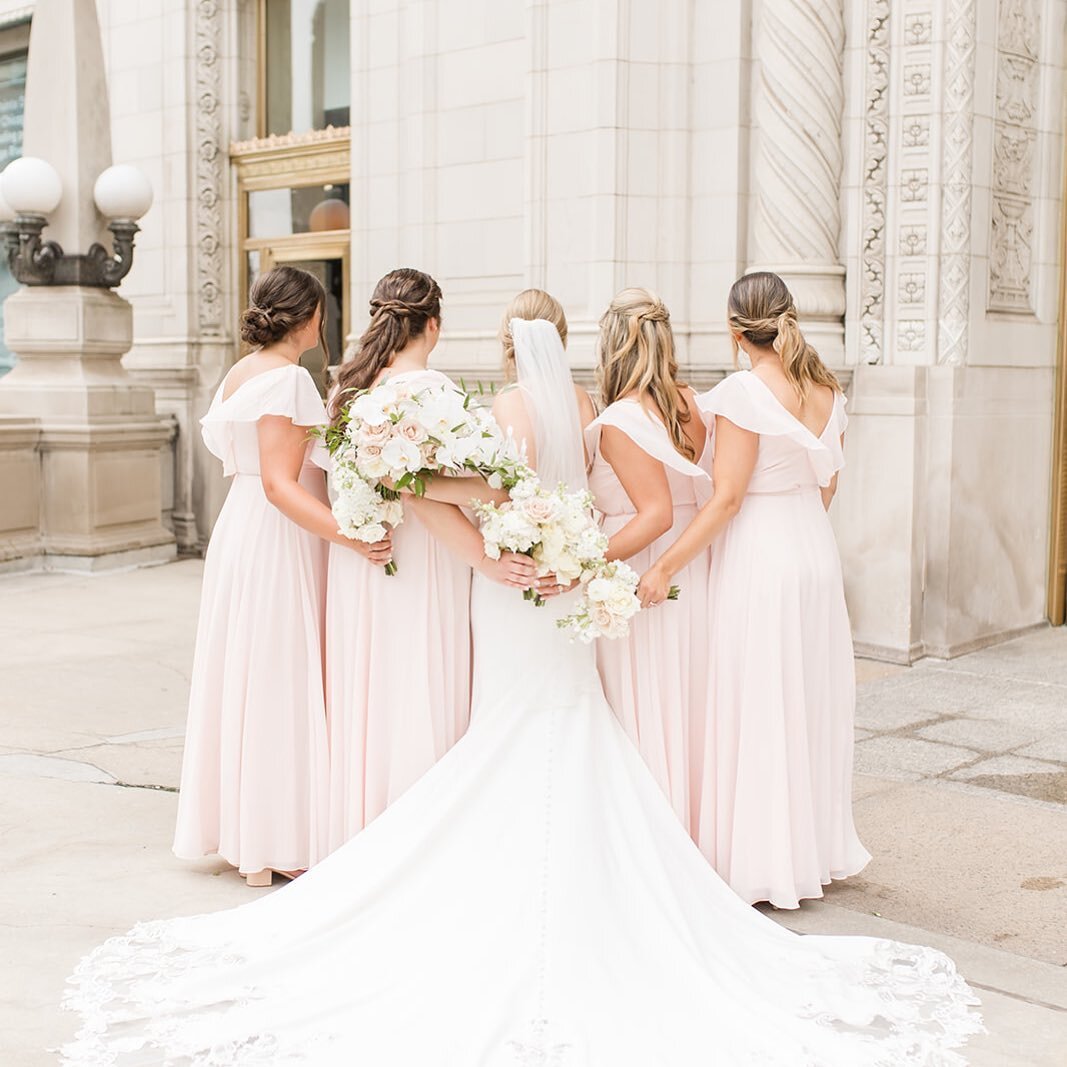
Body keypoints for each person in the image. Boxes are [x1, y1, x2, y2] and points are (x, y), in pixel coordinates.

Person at [63, 303, 980, 1067]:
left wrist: (476, 523)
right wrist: (566, 548)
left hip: (516, 584)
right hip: (558, 579)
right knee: (566, 723)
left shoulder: (500, 407)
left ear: (506, 352)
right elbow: (591, 496)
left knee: (505, 729)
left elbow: (485, 485)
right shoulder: (585, 408)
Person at [638, 270, 872, 908]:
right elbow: (828, 483)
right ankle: (811, 852)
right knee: (808, 696)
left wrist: (664, 568)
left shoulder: (742, 392)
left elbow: (727, 500)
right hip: (812, 549)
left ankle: (766, 863)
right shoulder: (826, 388)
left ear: (736, 330)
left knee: (762, 697)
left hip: (764, 554)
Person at [172, 265, 385, 888]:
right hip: (277, 535)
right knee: (277, 676)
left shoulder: (241, 373)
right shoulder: (289, 378)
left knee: (248, 672)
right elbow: (279, 484)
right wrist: (354, 536)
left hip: (240, 529)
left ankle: (249, 831)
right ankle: (275, 840)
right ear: (310, 316)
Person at [324, 268, 535, 849]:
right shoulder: (433, 393)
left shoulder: (351, 389)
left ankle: (364, 830)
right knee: (418, 678)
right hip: (422, 557)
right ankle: (417, 840)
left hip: (365, 555)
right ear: (434, 325)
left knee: (372, 684)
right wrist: (491, 505)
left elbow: (400, 482)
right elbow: (419, 490)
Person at [586, 288, 715, 850]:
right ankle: (692, 833)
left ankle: (653, 844)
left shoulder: (621, 419)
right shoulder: (692, 405)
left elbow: (655, 514)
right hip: (697, 563)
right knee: (687, 701)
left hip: (643, 573)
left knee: (645, 707)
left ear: (612, 348)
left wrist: (588, 562)